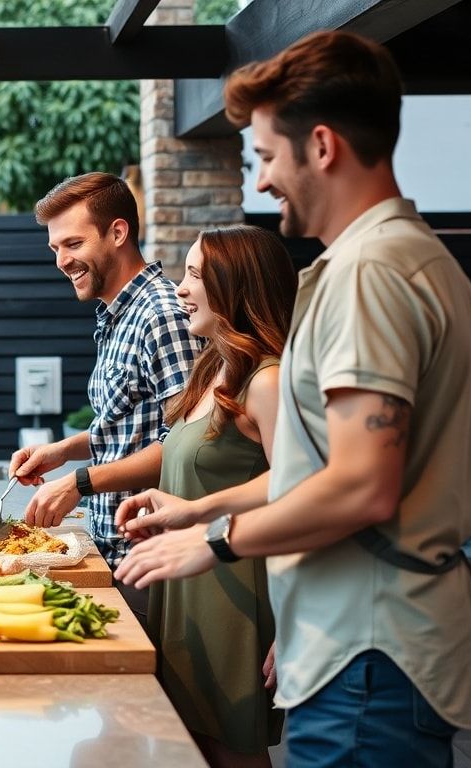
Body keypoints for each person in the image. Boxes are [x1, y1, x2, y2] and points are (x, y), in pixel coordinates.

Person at [113, 30, 471, 767]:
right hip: (375, 649)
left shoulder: (369, 275)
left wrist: (209, 542)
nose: (259, 183)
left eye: (264, 158)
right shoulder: (400, 260)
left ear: (321, 147)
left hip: (367, 650)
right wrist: (197, 509)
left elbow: (359, 484)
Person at [115, 226, 297, 767]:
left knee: (230, 752)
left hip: (236, 596)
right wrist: (167, 505)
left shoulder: (267, 379)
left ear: (236, 286)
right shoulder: (212, 369)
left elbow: (297, 484)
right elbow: (213, 473)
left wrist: (294, 624)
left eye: (196, 275)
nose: (181, 288)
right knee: (193, 750)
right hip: (189, 590)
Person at [11, 172, 201, 615]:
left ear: (118, 232)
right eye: (55, 248)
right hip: (113, 553)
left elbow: (188, 445)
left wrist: (80, 482)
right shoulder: (118, 315)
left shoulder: (163, 316)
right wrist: (63, 450)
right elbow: (130, 426)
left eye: (73, 244)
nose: (61, 260)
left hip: (150, 561)